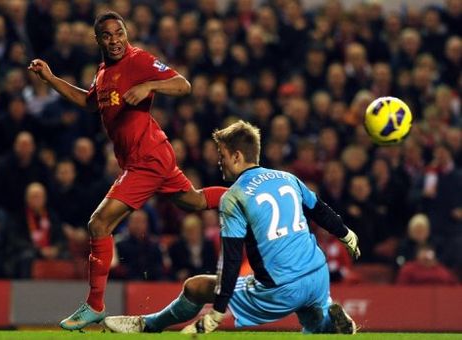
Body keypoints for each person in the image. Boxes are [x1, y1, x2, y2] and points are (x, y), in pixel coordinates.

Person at [28, 11, 227, 330]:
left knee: (99, 224)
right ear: (98, 40)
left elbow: (183, 85)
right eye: (107, 36)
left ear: (126, 33)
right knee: (196, 202)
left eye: (118, 33)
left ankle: (94, 305)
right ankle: (249, 194)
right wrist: (50, 79)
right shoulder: (104, 72)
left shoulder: (138, 60)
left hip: (147, 159)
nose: (114, 40)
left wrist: (150, 85)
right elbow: (90, 102)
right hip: (149, 156)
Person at [103, 120, 361, 334]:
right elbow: (320, 211)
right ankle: (334, 323)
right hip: (317, 273)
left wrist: (217, 311)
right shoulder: (287, 177)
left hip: (280, 287)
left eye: (222, 155)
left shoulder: (235, 196)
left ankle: (147, 325)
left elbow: (231, 259)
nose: (219, 162)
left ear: (237, 156)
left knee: (196, 287)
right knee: (313, 322)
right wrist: (347, 235)